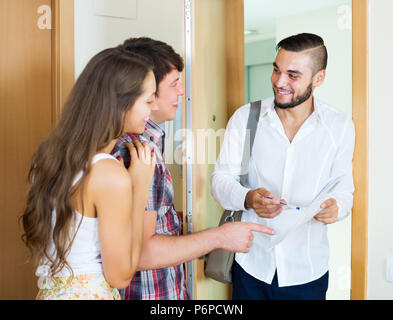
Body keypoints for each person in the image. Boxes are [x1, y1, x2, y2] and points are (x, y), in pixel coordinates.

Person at [111, 37, 275, 300]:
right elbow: (142, 252)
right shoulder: (138, 154)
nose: (181, 91)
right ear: (145, 88)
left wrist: (169, 220)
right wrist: (220, 237)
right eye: (174, 83)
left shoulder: (146, 144)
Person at [211, 33, 355, 300]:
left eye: (293, 75)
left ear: (319, 78)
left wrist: (337, 208)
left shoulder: (339, 127)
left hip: (307, 271)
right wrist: (249, 197)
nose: (279, 82)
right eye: (276, 70)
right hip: (251, 266)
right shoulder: (246, 118)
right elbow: (220, 181)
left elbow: (345, 189)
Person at [20, 46, 157, 300]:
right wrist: (140, 188)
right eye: (148, 100)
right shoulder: (109, 175)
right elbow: (121, 276)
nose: (153, 110)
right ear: (120, 103)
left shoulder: (49, 158)